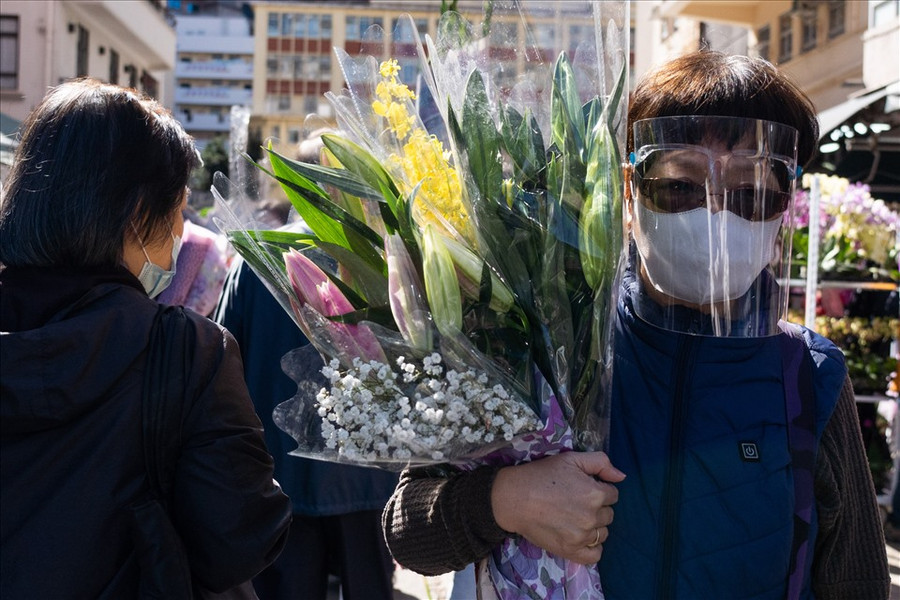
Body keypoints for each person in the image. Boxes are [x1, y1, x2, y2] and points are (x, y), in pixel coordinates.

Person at [382, 51, 890, 599]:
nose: (715, 213)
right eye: (679, 184)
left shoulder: (809, 376)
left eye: (751, 189)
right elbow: (409, 531)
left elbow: (856, 579)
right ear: (627, 191)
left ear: (785, 201)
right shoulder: (545, 342)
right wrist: (506, 499)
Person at [0, 78, 292, 598]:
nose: (182, 228)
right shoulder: (186, 352)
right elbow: (239, 539)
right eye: (178, 208)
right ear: (137, 216)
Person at [212, 137, 399, 600]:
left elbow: (218, 364)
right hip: (368, 477)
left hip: (279, 477)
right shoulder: (381, 258)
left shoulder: (255, 261)